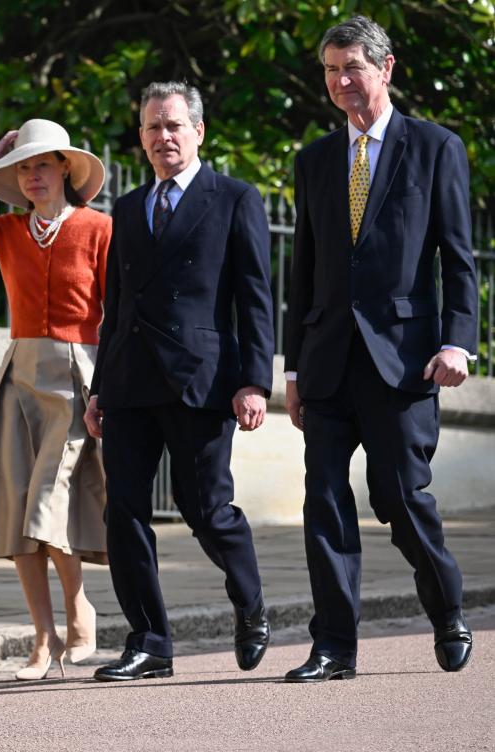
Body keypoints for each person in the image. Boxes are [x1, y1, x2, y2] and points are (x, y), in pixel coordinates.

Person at [283, 16, 478, 682]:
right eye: (331, 70)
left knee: (399, 497)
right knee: (325, 503)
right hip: (328, 360)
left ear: (386, 68)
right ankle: (333, 646)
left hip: (405, 360)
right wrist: (292, 368)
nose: (340, 82)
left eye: (352, 68)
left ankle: (447, 608)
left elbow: (458, 257)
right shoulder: (313, 160)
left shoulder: (435, 147)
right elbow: (301, 272)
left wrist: (458, 340)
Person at [84, 81, 275, 681]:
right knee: (125, 513)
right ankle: (149, 642)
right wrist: (98, 389)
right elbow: (114, 308)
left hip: (202, 380)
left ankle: (250, 604)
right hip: (131, 383)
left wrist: (254, 382)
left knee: (207, 511)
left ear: (198, 131)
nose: (162, 137)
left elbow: (256, 301)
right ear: (140, 138)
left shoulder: (235, 199)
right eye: (151, 127)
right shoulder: (128, 207)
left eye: (173, 125)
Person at [0, 120, 110, 679]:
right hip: (19, 377)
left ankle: (81, 611)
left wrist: (105, 387)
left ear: (65, 168)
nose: (32, 175)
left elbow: (119, 311)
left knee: (46, 501)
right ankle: (42, 638)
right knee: (17, 512)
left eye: (41, 164)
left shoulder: (99, 229)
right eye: (23, 167)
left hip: (77, 376)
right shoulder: (7, 230)